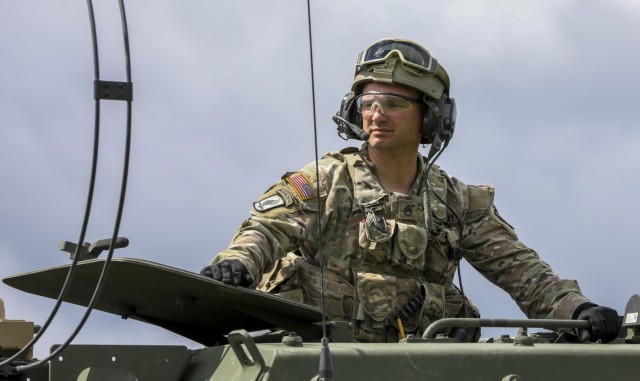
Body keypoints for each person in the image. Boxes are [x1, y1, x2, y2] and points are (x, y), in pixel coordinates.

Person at [201, 38, 620, 343]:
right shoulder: (326, 179)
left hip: (421, 362)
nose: (377, 115)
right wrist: (235, 265)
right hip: (323, 358)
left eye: (394, 104)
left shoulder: (456, 202)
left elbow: (522, 272)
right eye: (368, 103)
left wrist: (578, 310)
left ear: (432, 119)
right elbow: (267, 230)